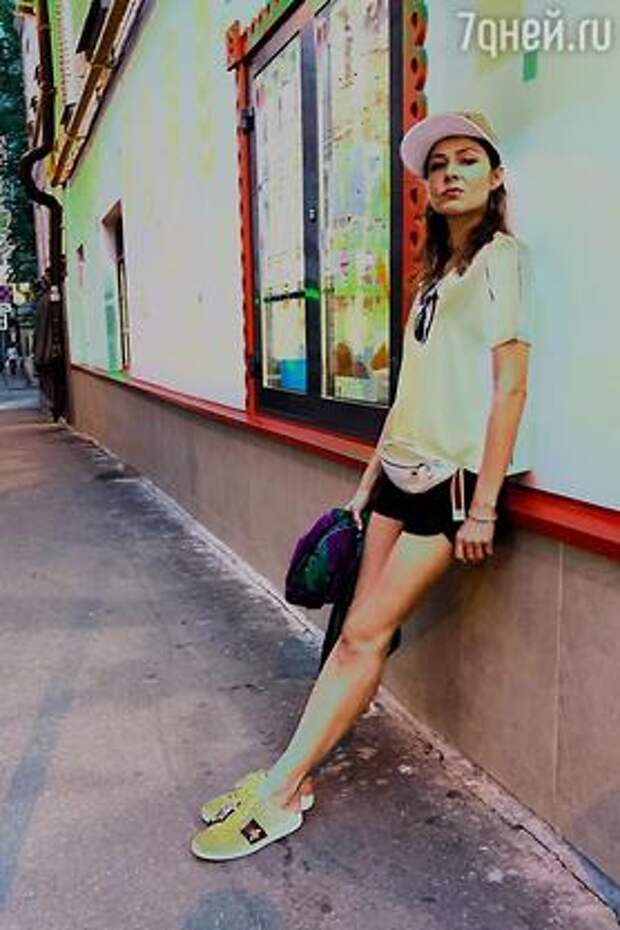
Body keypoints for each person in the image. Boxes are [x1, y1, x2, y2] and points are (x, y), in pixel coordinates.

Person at [191, 110, 535, 861]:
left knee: (364, 635)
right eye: (437, 165)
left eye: (467, 159)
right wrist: (364, 486)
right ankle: (294, 771)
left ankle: (283, 789)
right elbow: (409, 394)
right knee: (349, 632)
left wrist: (484, 507)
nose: (449, 173)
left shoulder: (502, 259)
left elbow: (510, 387)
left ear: (495, 176)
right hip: (396, 476)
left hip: (451, 484)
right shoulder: (433, 279)